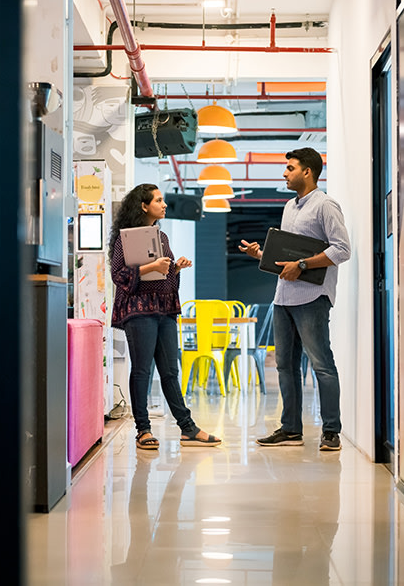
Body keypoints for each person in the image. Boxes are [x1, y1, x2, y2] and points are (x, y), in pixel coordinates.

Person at [239, 148, 351, 451]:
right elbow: (287, 254)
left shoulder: (326, 206)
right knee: (285, 366)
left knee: (321, 365)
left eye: (290, 168)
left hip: (313, 296)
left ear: (308, 172)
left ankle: (331, 432)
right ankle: (290, 429)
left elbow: (342, 250)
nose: (284, 173)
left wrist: (301, 266)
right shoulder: (290, 207)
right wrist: (260, 254)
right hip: (283, 298)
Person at [109, 183, 221, 450]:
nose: (164, 204)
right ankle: (143, 430)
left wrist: (175, 269)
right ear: (144, 205)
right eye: (158, 200)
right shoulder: (124, 238)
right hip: (138, 311)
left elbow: (164, 279)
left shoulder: (162, 238)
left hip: (164, 311)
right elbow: (119, 275)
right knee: (142, 371)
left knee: (171, 371)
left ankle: (187, 428)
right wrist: (152, 266)